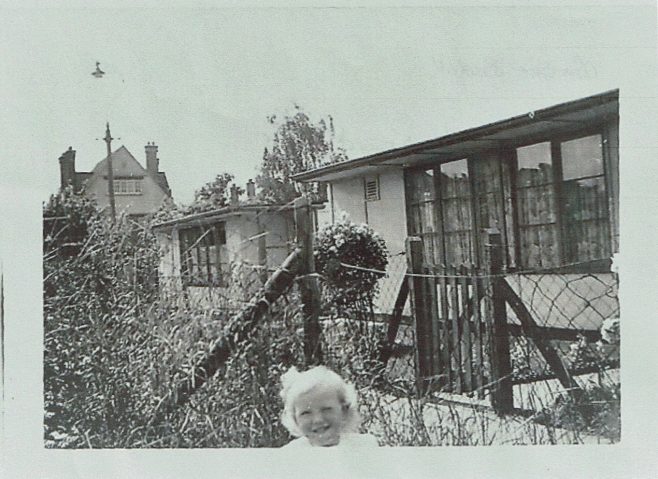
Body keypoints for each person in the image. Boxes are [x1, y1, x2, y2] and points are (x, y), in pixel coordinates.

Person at [279, 365, 379, 448]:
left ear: (344, 411)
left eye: (326, 409)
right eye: (306, 413)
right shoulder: (292, 454)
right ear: (295, 419)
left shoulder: (363, 446)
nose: (318, 420)